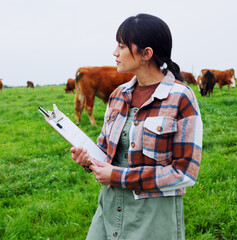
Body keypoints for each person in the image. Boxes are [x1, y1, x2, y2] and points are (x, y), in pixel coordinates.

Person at [70, 13, 203, 240]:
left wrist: (119, 176)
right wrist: (88, 159)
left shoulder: (181, 97)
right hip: (109, 209)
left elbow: (185, 173)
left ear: (146, 54)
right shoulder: (118, 95)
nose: (115, 53)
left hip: (152, 219)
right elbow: (105, 152)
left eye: (121, 46)